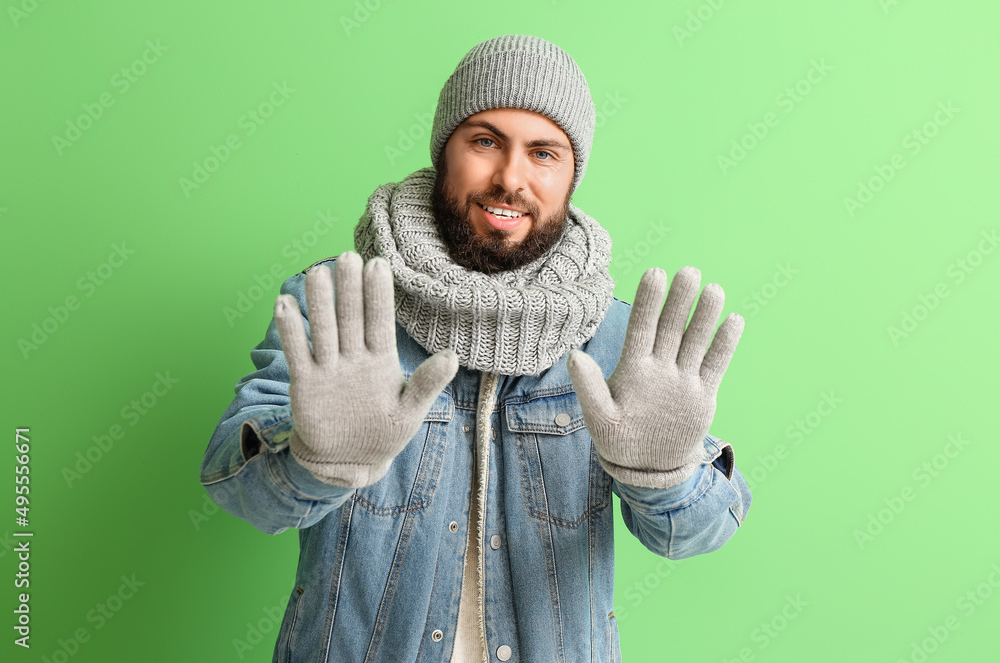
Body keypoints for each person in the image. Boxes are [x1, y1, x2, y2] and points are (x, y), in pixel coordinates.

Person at [200, 33, 752, 663]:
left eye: (544, 153)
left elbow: (699, 533)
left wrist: (667, 480)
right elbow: (235, 486)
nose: (510, 178)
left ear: (573, 175)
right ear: (445, 152)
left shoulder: (617, 339)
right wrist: (309, 462)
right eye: (485, 141)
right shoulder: (338, 306)